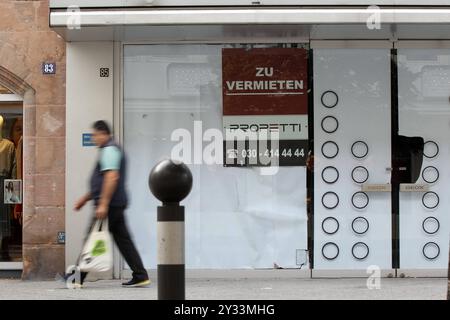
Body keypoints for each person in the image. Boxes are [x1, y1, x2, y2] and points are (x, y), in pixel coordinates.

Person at [70, 120, 150, 288]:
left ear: (103, 133)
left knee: (92, 237)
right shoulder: (111, 149)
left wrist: (103, 204)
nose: (94, 139)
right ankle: (140, 275)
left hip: (110, 204)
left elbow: (111, 177)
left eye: (95, 135)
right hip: (115, 203)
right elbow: (102, 182)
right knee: (123, 240)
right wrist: (85, 199)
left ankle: (76, 279)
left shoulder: (109, 149)